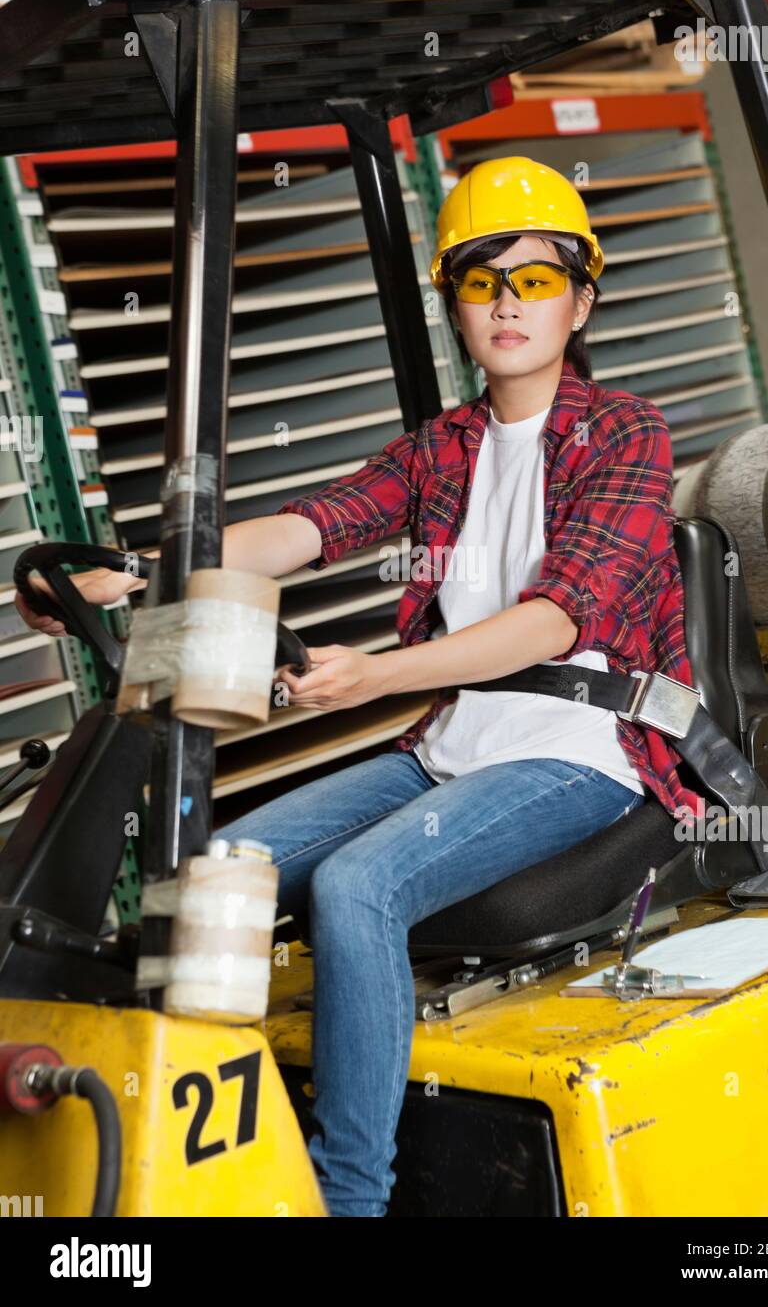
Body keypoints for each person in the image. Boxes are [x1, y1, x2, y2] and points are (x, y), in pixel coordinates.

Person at [15, 155, 701, 1217]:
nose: (508, 303)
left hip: (578, 751)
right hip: (450, 744)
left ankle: (348, 1200)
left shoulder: (622, 431)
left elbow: (553, 619)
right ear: (456, 307)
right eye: (480, 281)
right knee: (208, 877)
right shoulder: (444, 447)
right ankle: (179, 1160)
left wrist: (373, 677)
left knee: (357, 887)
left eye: (535, 277)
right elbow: (308, 526)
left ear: (582, 298)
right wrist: (139, 566)